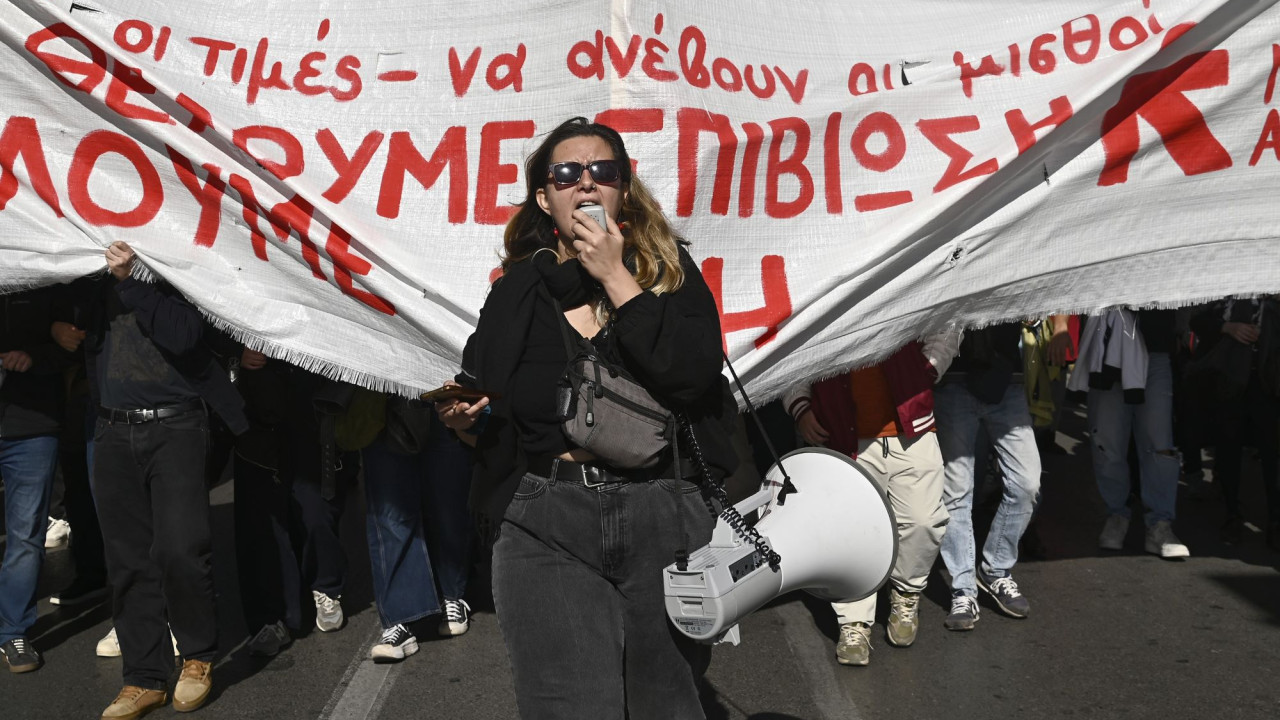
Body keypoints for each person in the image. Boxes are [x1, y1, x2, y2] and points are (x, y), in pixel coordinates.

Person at [437, 117, 734, 720]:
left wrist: (617, 277)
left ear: (624, 189)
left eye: (603, 171)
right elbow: (486, 393)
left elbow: (692, 375)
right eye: (567, 174)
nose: (586, 184)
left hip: (662, 517)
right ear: (545, 198)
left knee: (666, 706)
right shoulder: (518, 291)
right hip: (548, 518)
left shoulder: (669, 274)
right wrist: (463, 417)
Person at [80, 242, 248, 718]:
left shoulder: (179, 267)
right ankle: (143, 678)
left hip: (176, 426)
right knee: (128, 561)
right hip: (113, 429)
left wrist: (131, 282)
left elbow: (183, 334)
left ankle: (196, 658)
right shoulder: (91, 274)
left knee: (181, 549)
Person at [781, 340, 949, 666]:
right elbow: (793, 346)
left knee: (923, 521)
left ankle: (906, 593)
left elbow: (947, 321)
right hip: (844, 433)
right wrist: (799, 406)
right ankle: (853, 622)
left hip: (910, 426)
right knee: (850, 533)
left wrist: (926, 370)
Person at [234, 352, 357, 657]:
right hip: (258, 402)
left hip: (313, 390)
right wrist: (236, 354)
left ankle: (326, 587)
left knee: (315, 508)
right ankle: (274, 617)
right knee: (266, 517)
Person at [934, 323, 1041, 631]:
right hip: (952, 379)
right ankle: (963, 588)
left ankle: (995, 569)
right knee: (956, 491)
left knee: (1027, 482)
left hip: (1005, 379)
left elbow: (1034, 310)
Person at [1070, 309, 1189, 558]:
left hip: (1155, 348)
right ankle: (1116, 514)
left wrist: (1181, 328)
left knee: (1159, 443)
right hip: (1107, 346)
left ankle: (1159, 524)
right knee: (1107, 441)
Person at [362, 398, 474, 663]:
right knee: (389, 509)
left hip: (444, 388)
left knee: (448, 503)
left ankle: (452, 594)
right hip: (382, 388)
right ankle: (399, 619)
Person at [0, 287, 72, 673]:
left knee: (26, 535)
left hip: (32, 424)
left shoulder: (43, 270)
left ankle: (13, 630)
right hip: (30, 421)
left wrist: (34, 357)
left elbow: (72, 342)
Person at [1189, 297, 1280, 548]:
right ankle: (1232, 515)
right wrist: (1228, 327)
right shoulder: (1225, 276)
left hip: (1269, 378)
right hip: (1227, 378)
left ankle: (1275, 520)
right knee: (1229, 447)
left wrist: (1269, 324)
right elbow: (1196, 318)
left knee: (1272, 451)